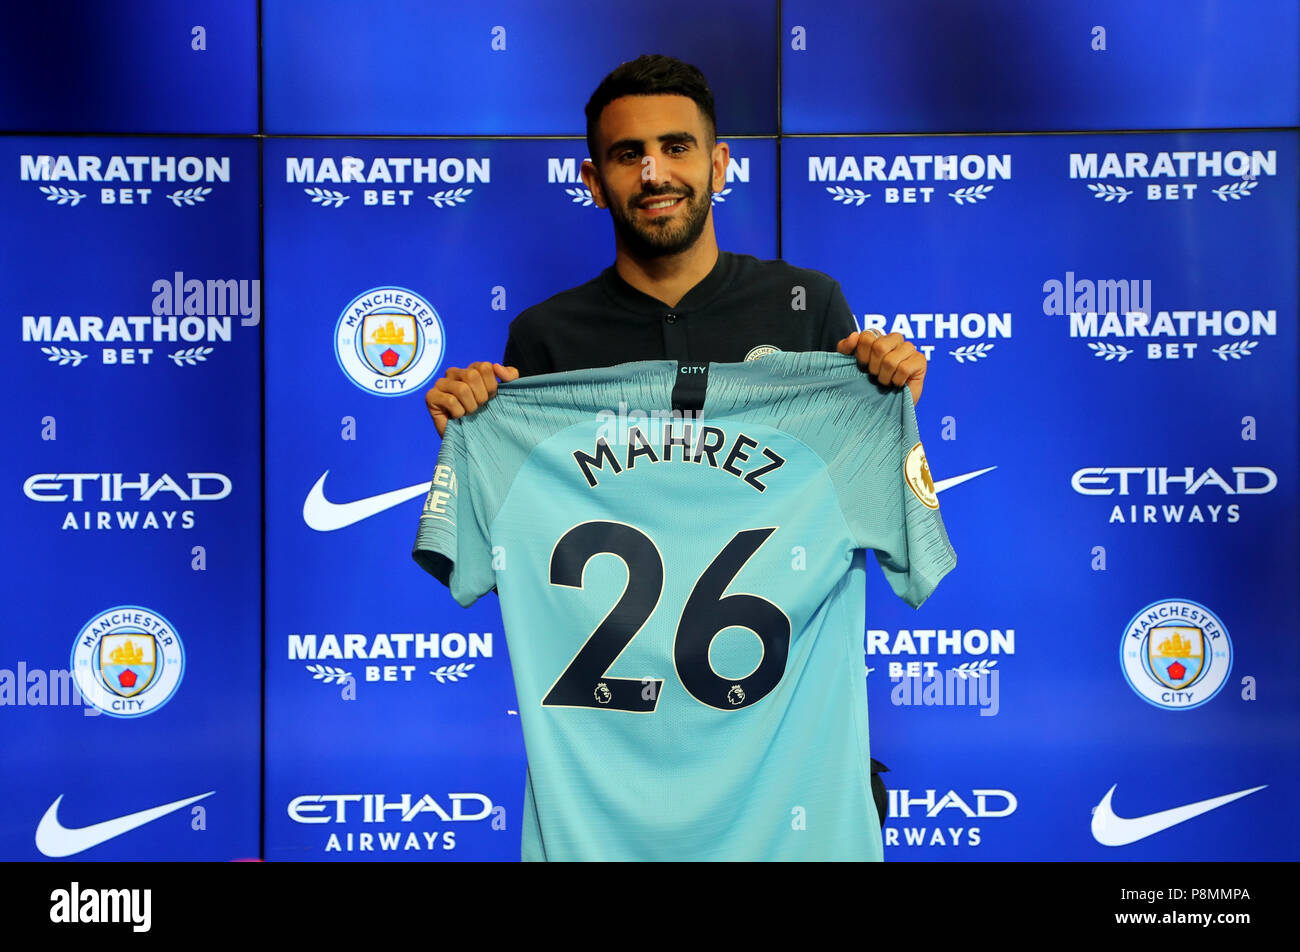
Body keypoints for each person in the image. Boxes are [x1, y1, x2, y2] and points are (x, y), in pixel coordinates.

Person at [424, 53, 928, 833]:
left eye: (678, 147)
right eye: (629, 155)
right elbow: (513, 563)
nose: (655, 171)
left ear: (720, 163)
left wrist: (888, 405)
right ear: (593, 180)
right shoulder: (545, 336)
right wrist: (470, 440)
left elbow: (863, 495)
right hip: (608, 794)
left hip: (789, 783)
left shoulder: (809, 305)